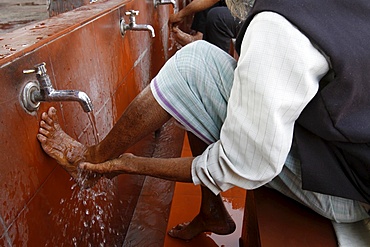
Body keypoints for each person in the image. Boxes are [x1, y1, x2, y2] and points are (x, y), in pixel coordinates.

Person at [37, 0, 370, 243]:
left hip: (348, 191)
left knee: (192, 70)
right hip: (345, 153)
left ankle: (91, 160)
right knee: (200, 85)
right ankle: (211, 211)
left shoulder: (278, 28)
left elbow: (247, 166)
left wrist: (128, 164)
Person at [169, 0, 242, 53]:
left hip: (251, 18)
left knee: (217, 19)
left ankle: (219, 67)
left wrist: (180, 15)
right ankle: (200, 37)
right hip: (245, 10)